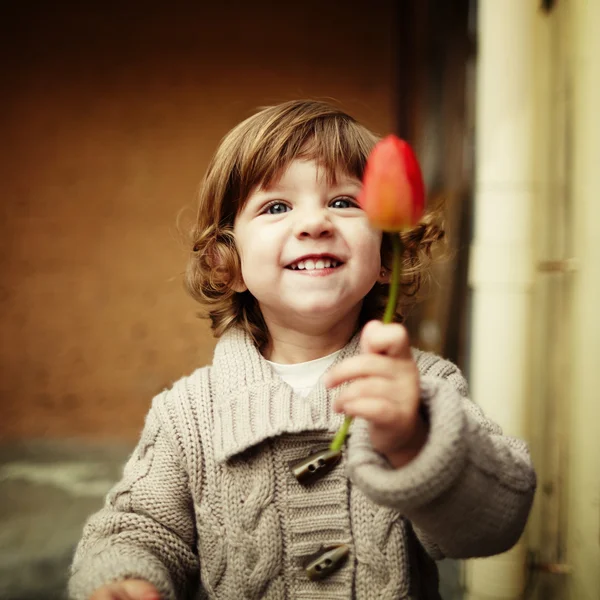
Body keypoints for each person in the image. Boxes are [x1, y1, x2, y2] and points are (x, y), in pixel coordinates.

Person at [69, 100, 537, 600]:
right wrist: (125, 579)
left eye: (343, 202)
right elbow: (139, 528)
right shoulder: (185, 415)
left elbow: (496, 523)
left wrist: (414, 441)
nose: (315, 223)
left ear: (387, 254)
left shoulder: (425, 389)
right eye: (276, 207)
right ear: (227, 260)